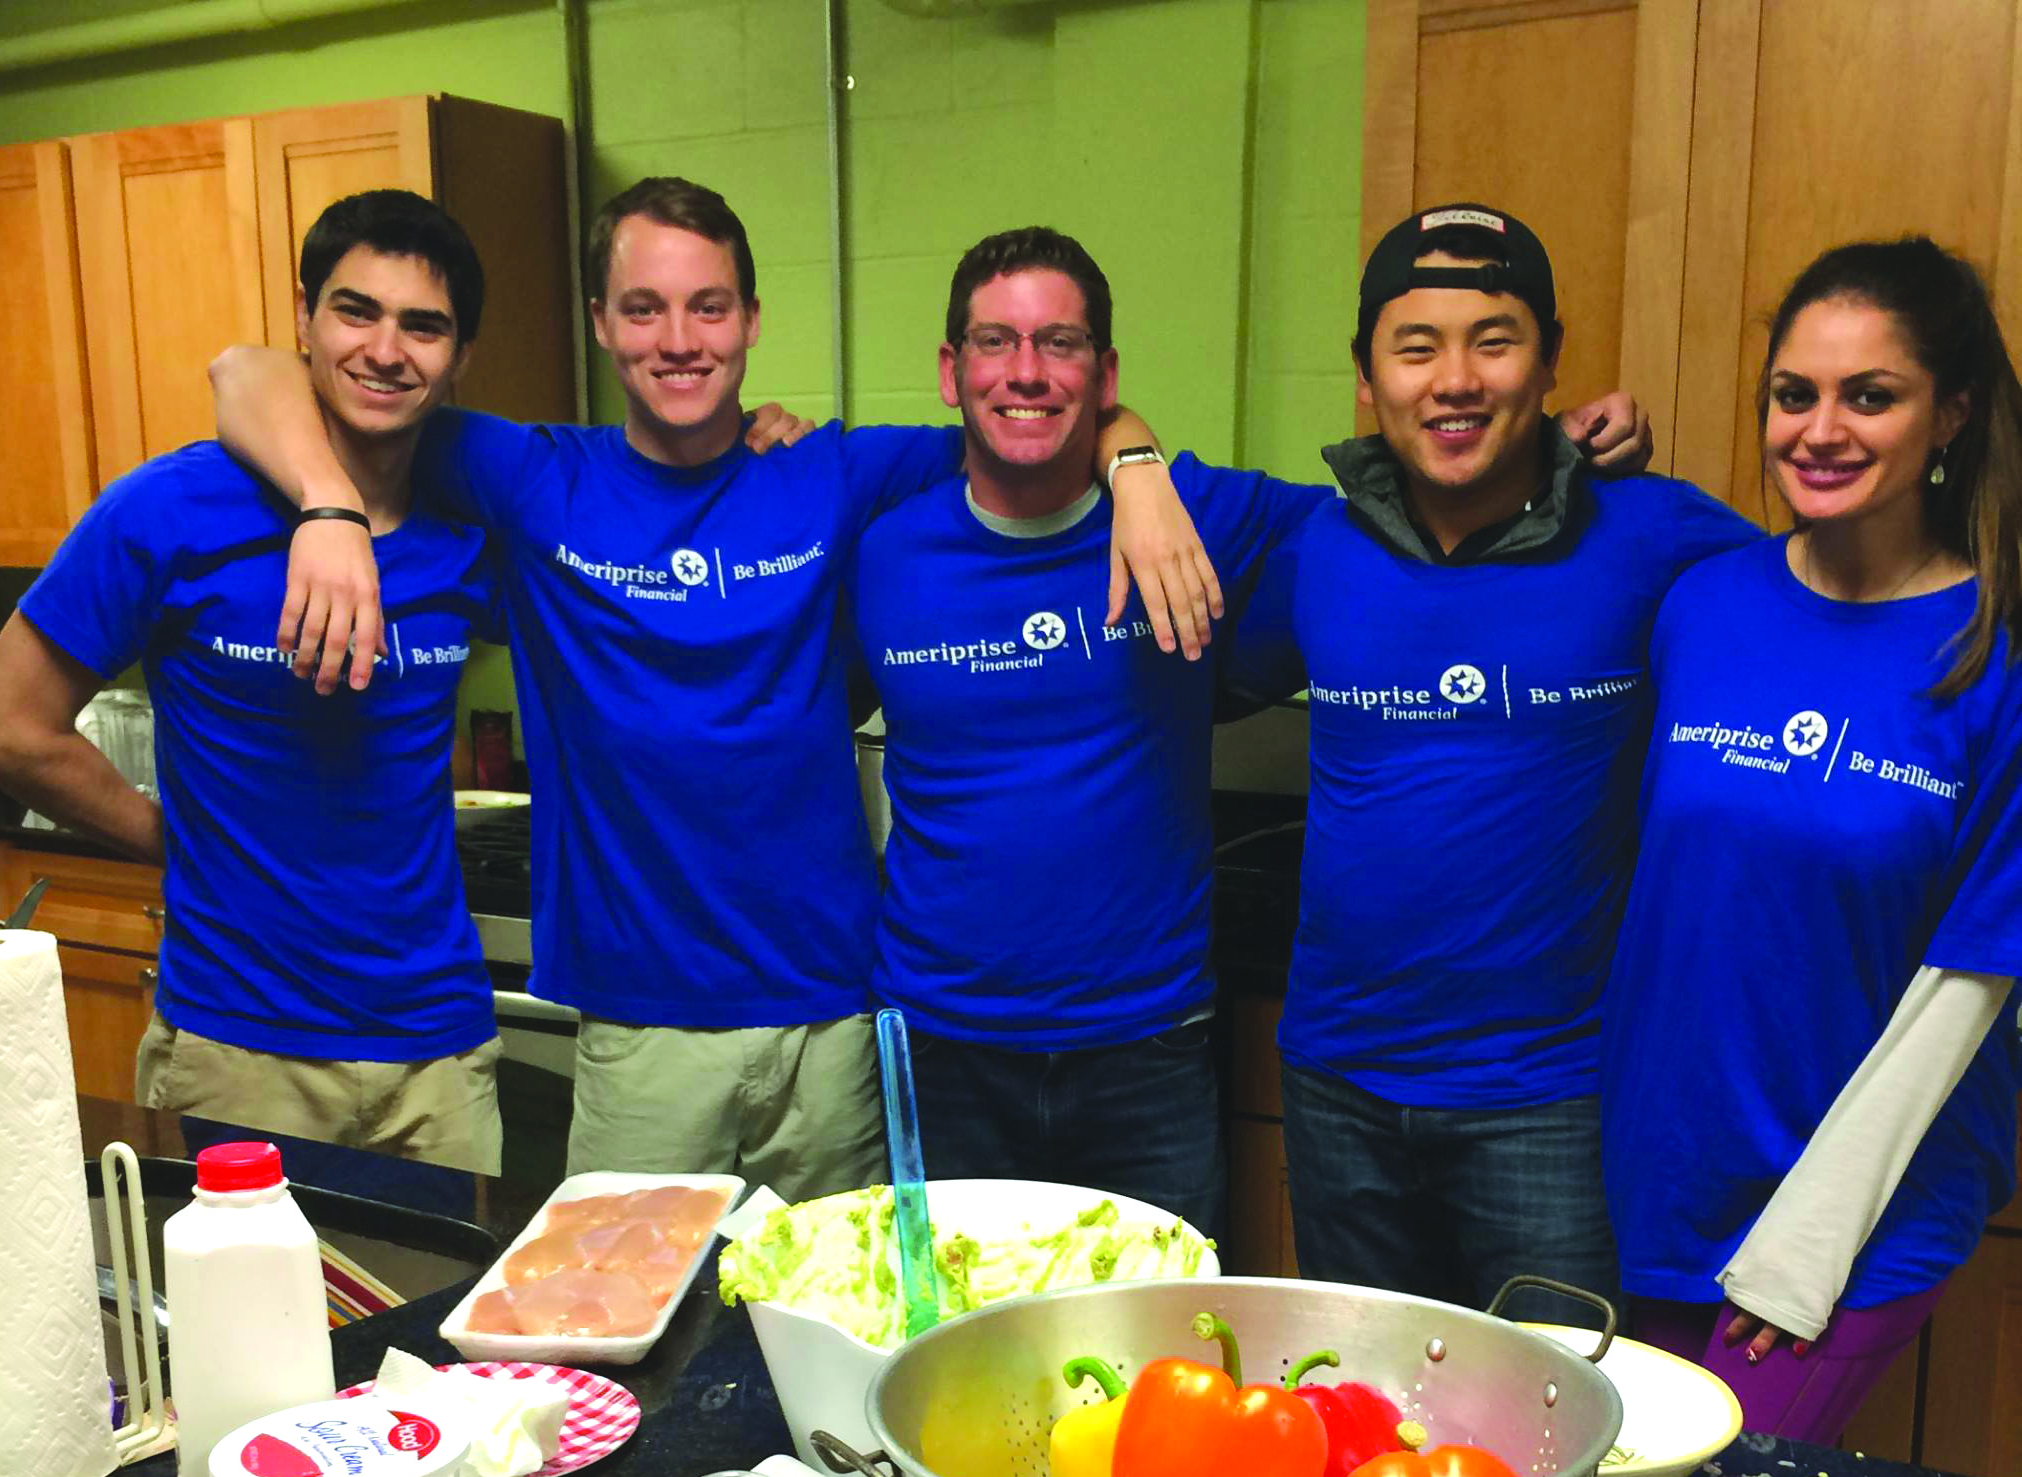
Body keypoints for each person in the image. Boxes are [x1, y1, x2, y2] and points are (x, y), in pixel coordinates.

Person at [211, 177, 1218, 1200]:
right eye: (643, 307)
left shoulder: (832, 472)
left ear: (749, 321)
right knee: (623, 1342)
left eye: (708, 306)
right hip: (642, 1033)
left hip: (833, 1029)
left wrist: (1134, 457)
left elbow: (1032, 407)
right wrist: (330, 506)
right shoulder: (532, 476)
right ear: (600, 323)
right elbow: (245, 370)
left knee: (840, 1331)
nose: (679, 339)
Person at [1235, 205, 1758, 1322]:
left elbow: (1841, 608)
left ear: (1552, 359)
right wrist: (1135, 460)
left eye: (1493, 338)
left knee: (1557, 1438)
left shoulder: (1656, 536)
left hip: (1549, 1102)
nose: (1453, 379)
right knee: (1363, 1433)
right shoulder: (1313, 548)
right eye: (1414, 345)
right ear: (1366, 375)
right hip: (1335, 1088)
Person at [0, 189, 505, 1171]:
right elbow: (4, 723)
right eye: (356, 310)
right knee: (232, 1328)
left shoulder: (473, 519)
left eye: (423, 326)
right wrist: (161, 833)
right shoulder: (169, 509)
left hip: (439, 1056)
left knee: (438, 1329)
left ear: (460, 356)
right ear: (302, 314)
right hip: (237, 1045)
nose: (386, 349)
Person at [1603, 237, 2022, 1438]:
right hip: (1661, 1179)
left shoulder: (1993, 649)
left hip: (1854, 1208)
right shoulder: (1704, 602)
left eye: (1868, 396)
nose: (1819, 429)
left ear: (1947, 415)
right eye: (1794, 395)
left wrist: (1806, 1243)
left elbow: (1972, 978)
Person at [844, 228, 1334, 1240]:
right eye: (995, 341)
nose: (1025, 370)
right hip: (940, 1047)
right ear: (950, 370)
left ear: (1104, 375)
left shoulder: (1191, 514)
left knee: (1152, 1363)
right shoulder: (886, 548)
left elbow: (1383, 510)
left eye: (1059, 343)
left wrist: (1143, 468)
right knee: (945, 1367)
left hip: (1142, 1051)